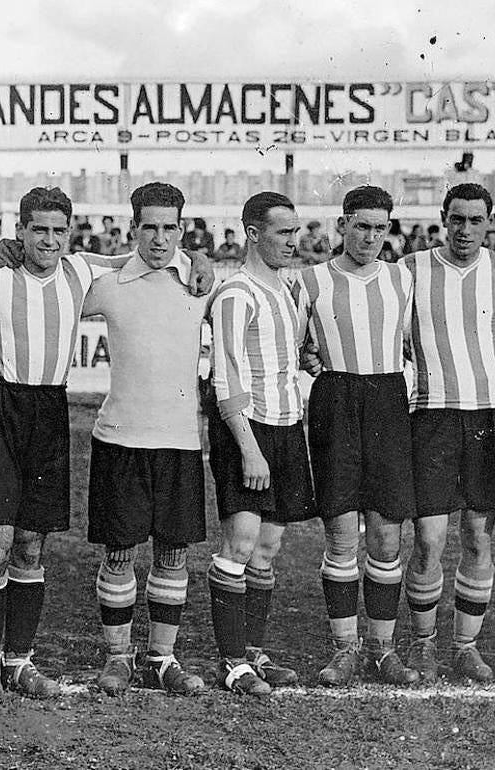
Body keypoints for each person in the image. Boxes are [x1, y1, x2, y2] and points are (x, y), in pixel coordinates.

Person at [0, 187, 134, 701]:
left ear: (69, 232)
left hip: (50, 413)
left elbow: (143, 254)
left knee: (31, 545)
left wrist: (200, 258)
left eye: (59, 230)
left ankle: (19, 663)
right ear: (21, 231)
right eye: (39, 230)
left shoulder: (80, 272)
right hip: (0, 407)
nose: (49, 240)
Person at [84, 183, 214, 696]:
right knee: (118, 554)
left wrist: (198, 259)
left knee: (173, 555)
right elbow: (59, 272)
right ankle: (119, 656)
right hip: (120, 438)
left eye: (170, 228)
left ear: (182, 230)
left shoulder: (201, 284)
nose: (159, 239)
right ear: (133, 228)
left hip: (181, 441)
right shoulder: (109, 285)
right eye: (149, 227)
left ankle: (162, 657)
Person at [401, 183, 495, 684]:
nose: (466, 230)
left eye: (476, 220)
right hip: (431, 416)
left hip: (488, 417)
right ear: (443, 218)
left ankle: (465, 646)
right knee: (429, 539)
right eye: (457, 219)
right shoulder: (409, 270)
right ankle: (424, 642)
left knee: (477, 536)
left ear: (489, 221)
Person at [294, 186, 419, 688]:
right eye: (361, 225)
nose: (371, 236)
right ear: (341, 225)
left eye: (380, 227)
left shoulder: (401, 278)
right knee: (342, 533)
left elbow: (413, 340)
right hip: (336, 401)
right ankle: (344, 649)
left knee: (388, 536)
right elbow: (295, 343)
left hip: (388, 402)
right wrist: (308, 355)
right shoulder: (311, 281)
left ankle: (382, 650)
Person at [206, 192, 315, 696]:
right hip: (246, 431)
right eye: (282, 232)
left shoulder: (286, 289)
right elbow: (224, 376)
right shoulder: (236, 293)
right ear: (253, 234)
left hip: (287, 427)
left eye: (295, 232)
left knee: (267, 550)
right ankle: (232, 662)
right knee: (240, 545)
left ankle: (253, 652)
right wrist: (248, 448)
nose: (293, 241)